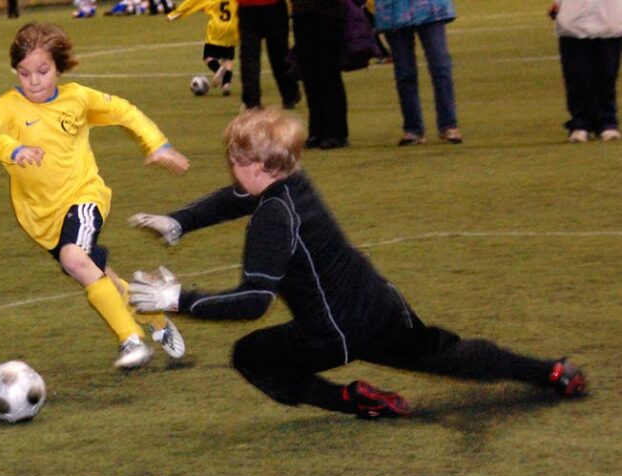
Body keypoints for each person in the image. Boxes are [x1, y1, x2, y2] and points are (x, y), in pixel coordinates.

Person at [127, 107, 587, 419]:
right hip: (380, 305)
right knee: (447, 354)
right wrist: (181, 221)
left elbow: (252, 301)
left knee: (250, 356)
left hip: (332, 334)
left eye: (234, 158)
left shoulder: (272, 217)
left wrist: (178, 299)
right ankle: (550, 371)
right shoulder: (292, 180)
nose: (230, 165)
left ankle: (351, 400)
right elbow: (237, 197)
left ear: (255, 166)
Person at [0, 23, 190, 370]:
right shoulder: (7, 108)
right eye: (25, 73)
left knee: (74, 258)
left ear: (58, 67)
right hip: (42, 220)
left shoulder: (78, 98)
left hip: (84, 198)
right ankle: (155, 316)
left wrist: (157, 143)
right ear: (15, 71)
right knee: (100, 276)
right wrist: (12, 149)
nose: (34, 81)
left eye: (43, 71)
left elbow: (125, 111)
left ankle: (131, 340)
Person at [374, 0, 462, 146]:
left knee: (440, 67)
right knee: (404, 73)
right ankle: (413, 129)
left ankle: (448, 125)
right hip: (393, 12)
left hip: (429, 9)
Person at [549, 0, 622, 143]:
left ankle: (607, 121)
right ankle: (580, 123)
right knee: (577, 76)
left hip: (610, 21)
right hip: (573, 23)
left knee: (606, 75)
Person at [290, 0, 348, 150]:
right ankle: (317, 129)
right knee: (309, 74)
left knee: (329, 72)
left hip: (328, 13)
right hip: (302, 12)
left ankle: (337, 131)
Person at [167, 0, 239, 96]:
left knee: (208, 57)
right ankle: (226, 85)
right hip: (233, 29)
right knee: (228, 59)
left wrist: (175, 13)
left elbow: (191, 3)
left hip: (216, 30)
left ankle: (219, 70)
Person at [237, 0, 300, 110]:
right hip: (274, 7)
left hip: (248, 7)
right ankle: (289, 94)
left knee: (249, 57)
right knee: (279, 53)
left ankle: (252, 100)